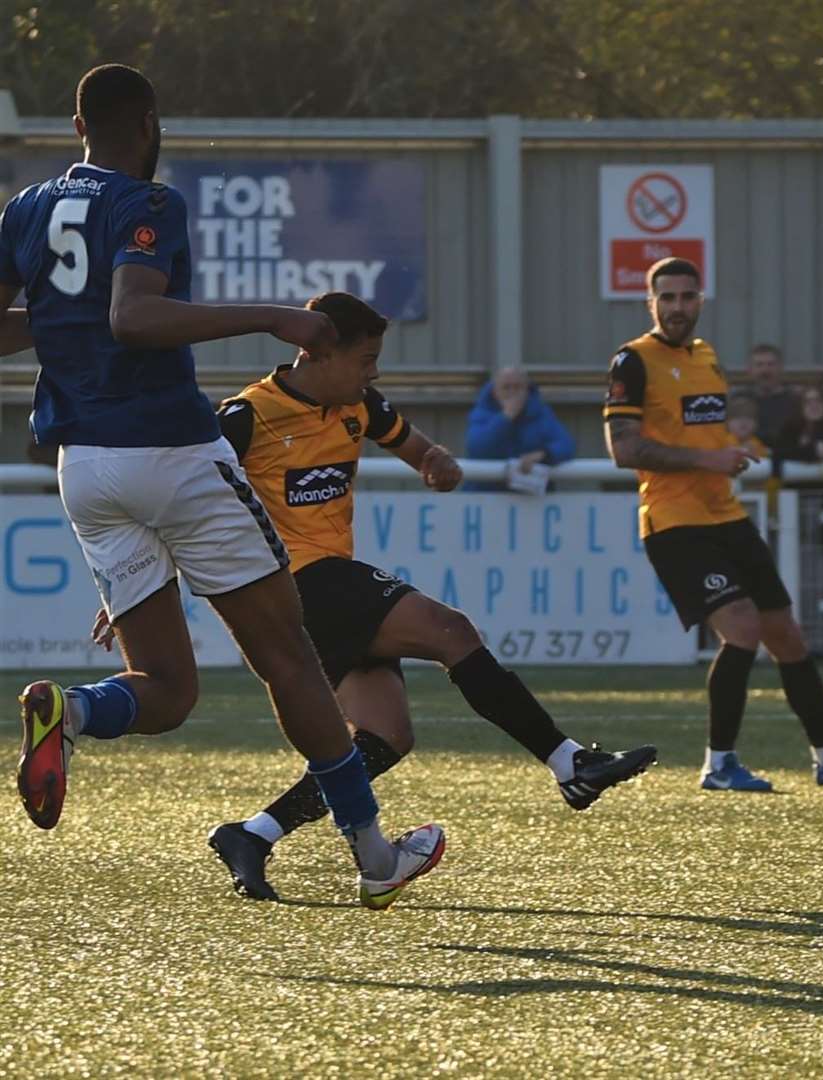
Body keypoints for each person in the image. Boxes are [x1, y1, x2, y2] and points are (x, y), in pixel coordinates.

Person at [1, 64, 440, 908]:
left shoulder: (23, 209)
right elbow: (135, 317)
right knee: (291, 660)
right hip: (170, 450)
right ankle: (376, 856)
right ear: (150, 122)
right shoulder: (149, 204)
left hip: (83, 470)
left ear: (75, 123)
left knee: (166, 690)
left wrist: (68, 319)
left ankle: (73, 710)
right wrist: (273, 316)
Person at [164, 293, 649, 901]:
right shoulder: (246, 415)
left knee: (387, 737)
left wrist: (435, 461)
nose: (374, 373)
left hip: (325, 589)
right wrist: (146, 583)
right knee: (451, 632)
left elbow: (417, 448)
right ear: (318, 351)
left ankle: (253, 834)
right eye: (365, 359)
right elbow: (184, 499)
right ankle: (569, 763)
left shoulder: (358, 405)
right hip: (298, 582)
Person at [604, 257, 823, 792]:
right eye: (668, 298)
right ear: (651, 303)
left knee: (788, 636)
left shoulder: (707, 358)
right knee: (744, 630)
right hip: (673, 522)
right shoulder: (632, 361)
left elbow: (699, 435)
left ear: (700, 301)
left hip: (727, 515)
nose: (678, 307)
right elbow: (624, 449)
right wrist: (706, 460)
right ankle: (719, 765)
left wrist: (724, 453)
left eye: (687, 297)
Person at [465, 365, 577, 489]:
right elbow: (477, 449)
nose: (512, 393)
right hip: (487, 496)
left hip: (531, 499)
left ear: (527, 390)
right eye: (506, 387)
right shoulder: (482, 413)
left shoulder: (540, 414)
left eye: (518, 387)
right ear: (495, 392)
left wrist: (544, 455)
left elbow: (566, 445)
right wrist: (505, 418)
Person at [746, 343, 801, 449]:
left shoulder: (796, 400)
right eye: (759, 365)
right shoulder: (739, 401)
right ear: (750, 370)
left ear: (781, 368)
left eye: (771, 364)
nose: (765, 370)